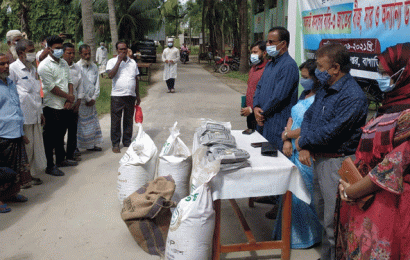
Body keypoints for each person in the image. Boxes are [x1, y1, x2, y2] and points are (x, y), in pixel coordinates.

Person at [336, 43, 410, 260]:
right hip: (367, 203)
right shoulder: (390, 105)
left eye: (385, 72)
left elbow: (389, 170)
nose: (380, 76)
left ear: (404, 73)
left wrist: (351, 192)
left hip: (393, 209)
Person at [296, 43, 368, 260]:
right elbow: (309, 117)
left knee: (334, 220)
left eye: (320, 66)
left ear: (335, 68)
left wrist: (303, 141)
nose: (317, 70)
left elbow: (331, 133)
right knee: (322, 214)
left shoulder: (353, 96)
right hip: (320, 160)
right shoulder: (326, 89)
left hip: (337, 163)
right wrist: (306, 143)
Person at [272, 59, 322, 248]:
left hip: (305, 153)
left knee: (304, 196)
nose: (303, 81)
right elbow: (292, 117)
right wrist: (286, 139)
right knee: (290, 194)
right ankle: (289, 235)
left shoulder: (321, 99)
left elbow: (311, 126)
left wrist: (287, 134)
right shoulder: (304, 94)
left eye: (306, 77)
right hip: (291, 149)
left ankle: (308, 237)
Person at [253, 27, 299, 150]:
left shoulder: (288, 66)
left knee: (273, 161)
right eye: (267, 42)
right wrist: (256, 106)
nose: (267, 45)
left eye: (271, 42)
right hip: (263, 121)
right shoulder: (270, 64)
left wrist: (262, 113)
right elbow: (259, 86)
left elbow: (279, 96)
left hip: (276, 123)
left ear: (283, 44)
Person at [38, 35, 78, 177]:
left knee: (61, 134)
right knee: (50, 138)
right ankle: (50, 165)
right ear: (48, 49)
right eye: (57, 48)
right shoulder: (44, 66)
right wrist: (69, 97)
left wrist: (70, 98)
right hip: (52, 106)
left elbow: (70, 81)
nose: (60, 51)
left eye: (61, 48)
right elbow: (51, 87)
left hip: (65, 105)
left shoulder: (63, 63)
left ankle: (61, 160)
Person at [9, 39, 46, 188]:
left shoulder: (32, 68)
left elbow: (37, 91)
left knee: (35, 147)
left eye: (33, 51)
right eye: (30, 51)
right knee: (26, 148)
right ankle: (22, 178)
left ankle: (31, 174)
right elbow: (11, 94)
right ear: (20, 53)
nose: (32, 54)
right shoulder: (13, 69)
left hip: (35, 113)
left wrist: (41, 112)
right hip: (23, 117)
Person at [0, 53, 31, 212]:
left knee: (16, 169)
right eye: (1, 64)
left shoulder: (11, 83)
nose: (6, 67)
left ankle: (11, 194)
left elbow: (17, 108)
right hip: (2, 135)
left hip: (16, 134)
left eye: (7, 63)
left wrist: (22, 132)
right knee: (2, 170)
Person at [106, 41, 141, 153]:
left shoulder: (133, 63)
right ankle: (115, 143)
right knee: (116, 120)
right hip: (117, 96)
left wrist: (138, 95)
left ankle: (127, 141)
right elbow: (110, 75)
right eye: (120, 49)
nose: (123, 51)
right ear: (117, 50)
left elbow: (136, 79)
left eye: (124, 49)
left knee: (128, 119)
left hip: (130, 95)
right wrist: (119, 61)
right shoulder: (111, 62)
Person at [76, 44, 103, 152]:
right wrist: (87, 98)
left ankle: (91, 145)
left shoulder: (94, 66)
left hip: (92, 100)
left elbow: (97, 83)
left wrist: (94, 98)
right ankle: (76, 147)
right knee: (80, 125)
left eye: (89, 53)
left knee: (92, 123)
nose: (87, 56)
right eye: (85, 54)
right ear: (80, 54)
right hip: (81, 101)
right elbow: (80, 84)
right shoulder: (77, 67)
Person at [240, 40, 268, 134]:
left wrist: (251, 108)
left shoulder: (267, 70)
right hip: (249, 113)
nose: (252, 55)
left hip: (259, 113)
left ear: (264, 53)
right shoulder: (253, 68)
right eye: (252, 52)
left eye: (255, 52)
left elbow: (266, 94)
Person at [62, 43, 84, 162]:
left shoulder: (77, 68)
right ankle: (60, 155)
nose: (71, 55)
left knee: (72, 130)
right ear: (63, 53)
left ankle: (71, 154)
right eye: (68, 53)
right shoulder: (59, 66)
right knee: (60, 131)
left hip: (74, 103)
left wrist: (79, 101)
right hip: (61, 104)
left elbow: (80, 85)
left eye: (73, 53)